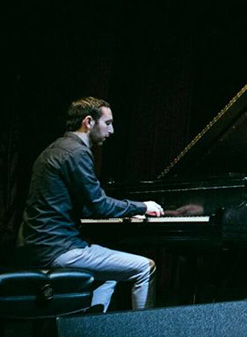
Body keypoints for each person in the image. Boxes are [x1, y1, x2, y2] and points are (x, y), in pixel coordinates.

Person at [17, 97, 164, 311]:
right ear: (88, 122)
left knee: (110, 275)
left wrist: (123, 211)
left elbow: (81, 205)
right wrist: (142, 206)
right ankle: (145, 331)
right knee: (145, 268)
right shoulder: (77, 152)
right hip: (58, 249)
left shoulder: (54, 148)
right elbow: (100, 205)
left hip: (36, 246)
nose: (111, 130)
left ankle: (89, 326)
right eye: (108, 123)